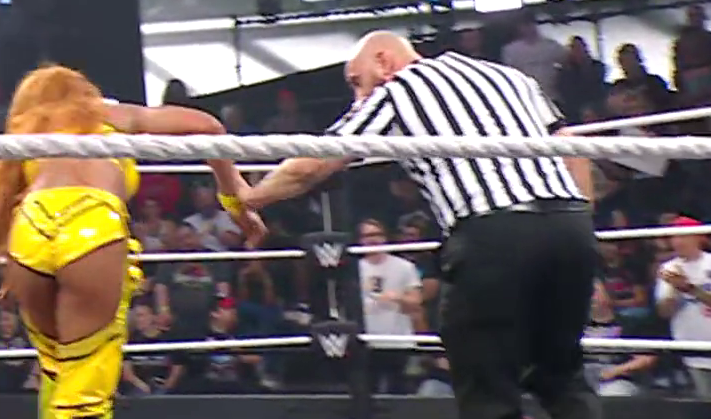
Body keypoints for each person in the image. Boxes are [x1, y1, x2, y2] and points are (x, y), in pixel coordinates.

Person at [226, 31, 596, 419]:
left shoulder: (399, 88)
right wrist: (582, 222)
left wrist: (246, 198)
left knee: (484, 380)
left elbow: (314, 164)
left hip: (494, 233)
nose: (358, 97)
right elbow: (572, 145)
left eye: (357, 82)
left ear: (384, 61)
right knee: (562, 374)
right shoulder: (508, 76)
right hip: (569, 228)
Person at [0, 65, 262, 418]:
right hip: (90, 225)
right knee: (85, 396)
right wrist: (234, 200)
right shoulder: (108, 116)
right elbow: (208, 127)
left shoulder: (29, 134)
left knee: (58, 373)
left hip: (32, 228)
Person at [354, 218, 422, 394]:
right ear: (360, 240)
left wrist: (397, 297)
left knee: (397, 391)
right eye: (367, 235)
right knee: (367, 391)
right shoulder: (353, 269)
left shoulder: (405, 267)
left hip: (397, 340)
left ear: (385, 237)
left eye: (377, 234)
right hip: (366, 341)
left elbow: (416, 302)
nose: (372, 239)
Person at [654, 220, 711, 398]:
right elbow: (664, 313)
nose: (678, 241)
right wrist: (674, 287)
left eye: (683, 235)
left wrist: (689, 288)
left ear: (698, 237)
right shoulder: (668, 269)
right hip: (690, 351)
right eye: (674, 236)